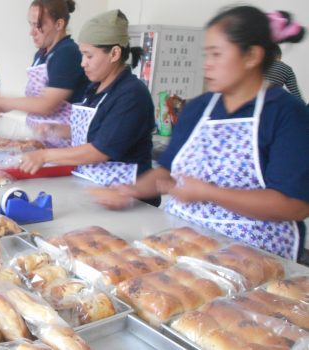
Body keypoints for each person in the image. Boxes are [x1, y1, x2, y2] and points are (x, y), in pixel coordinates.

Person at [93, 6, 309, 261]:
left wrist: (208, 192)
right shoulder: (198, 108)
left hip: (254, 254)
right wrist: (130, 191)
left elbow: (293, 205)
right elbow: (166, 171)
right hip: (182, 243)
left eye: (217, 55)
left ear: (252, 56)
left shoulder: (286, 114)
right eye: (206, 55)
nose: (206, 65)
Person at [19, 10, 159, 206]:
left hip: (129, 201)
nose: (82, 63)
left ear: (115, 53)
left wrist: (45, 156)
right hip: (93, 189)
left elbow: (99, 150)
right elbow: (97, 130)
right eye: (82, 55)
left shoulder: (132, 94)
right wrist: (58, 130)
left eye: (89, 56)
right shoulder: (94, 88)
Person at [0, 0, 89, 147]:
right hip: (41, 142)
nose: (31, 32)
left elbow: (47, 104)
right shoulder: (42, 54)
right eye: (31, 24)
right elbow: (35, 100)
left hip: (62, 146)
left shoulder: (67, 53)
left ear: (59, 24)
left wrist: (3, 101)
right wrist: (3, 104)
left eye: (38, 25)